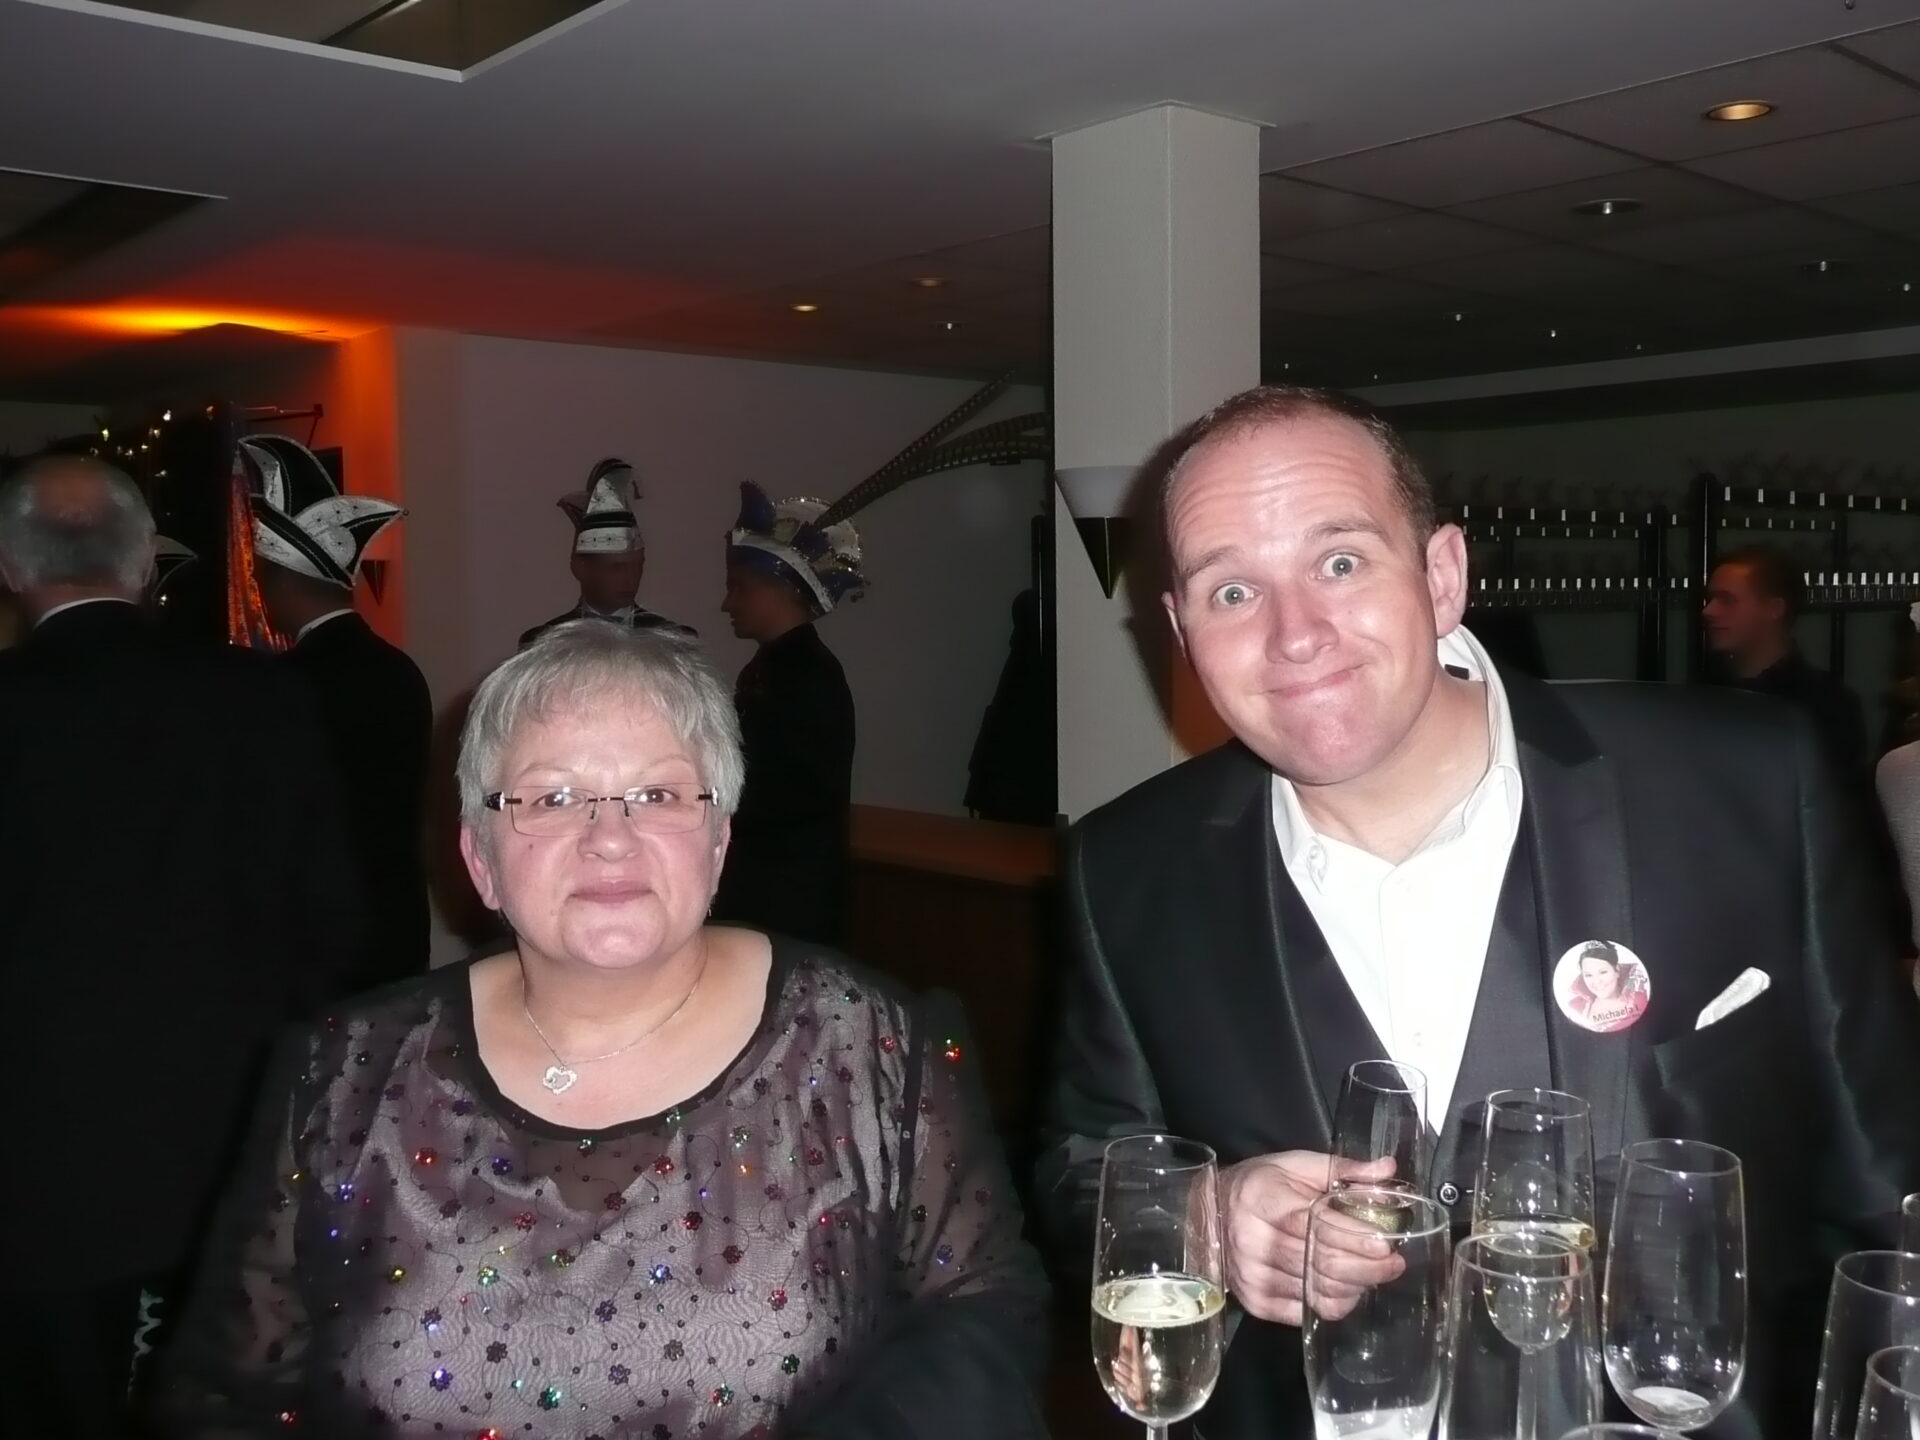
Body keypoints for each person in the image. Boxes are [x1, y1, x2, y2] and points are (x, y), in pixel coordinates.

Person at [1037, 386, 1920, 1440]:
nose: (1295, 634)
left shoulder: (1746, 781)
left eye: (1340, 562)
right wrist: (1203, 1216)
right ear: (1182, 630)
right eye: (1232, 591)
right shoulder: (1128, 867)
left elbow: (1891, 1183)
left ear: (1444, 574)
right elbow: (1081, 1168)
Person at [162, 621, 1048, 1440]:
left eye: (657, 792)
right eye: (553, 798)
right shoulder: (344, 1073)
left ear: (718, 840)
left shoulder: (872, 1043)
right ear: (480, 859)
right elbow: (225, 1400)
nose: (610, 838)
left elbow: (984, 1318)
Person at [0, 455, 365, 1440]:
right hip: (235, 1144)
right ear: (141, 564)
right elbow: (331, 919)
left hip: (40, 1166)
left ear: (11, 568)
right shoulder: (263, 700)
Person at [246, 433, 434, 993]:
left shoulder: (281, 687)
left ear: (279, 579)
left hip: (314, 945)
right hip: (398, 931)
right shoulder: (402, 670)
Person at [711, 481, 859, 947]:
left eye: (738, 587)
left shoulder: (806, 675)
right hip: (772, 898)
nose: (727, 602)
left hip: (786, 906)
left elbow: (786, 794)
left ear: (777, 588)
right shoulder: (779, 668)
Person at [1703, 544, 1866, 776]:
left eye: (1727, 600)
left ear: (1774, 609)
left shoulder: (1824, 705)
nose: (1708, 611)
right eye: (1710, 599)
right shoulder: (1704, 692)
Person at [520, 457, 694, 645]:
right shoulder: (545, 644)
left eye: (638, 566)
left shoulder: (674, 642)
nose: (631, 579)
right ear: (581, 568)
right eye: (617, 568)